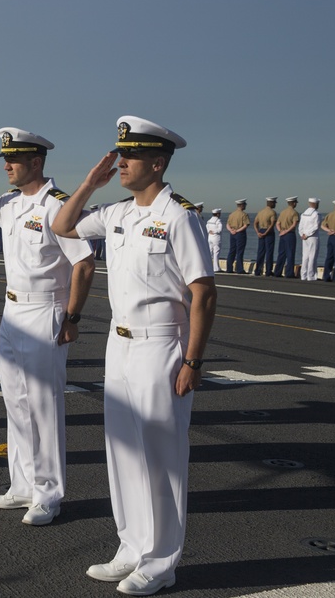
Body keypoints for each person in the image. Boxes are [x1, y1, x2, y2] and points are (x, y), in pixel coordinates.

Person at [52, 116, 216, 596]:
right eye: (120, 154)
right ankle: (131, 546)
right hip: (118, 346)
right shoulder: (118, 212)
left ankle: (161, 561)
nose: (121, 162)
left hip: (161, 345)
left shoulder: (180, 216)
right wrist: (88, 184)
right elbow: (62, 225)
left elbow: (203, 294)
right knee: (122, 450)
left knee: (161, 458)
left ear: (158, 163)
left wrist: (193, 361)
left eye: (131, 156)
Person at [0, 128, 93, 524]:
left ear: (36, 162)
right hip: (12, 312)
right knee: (15, 402)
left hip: (45, 313)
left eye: (14, 160)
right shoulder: (10, 204)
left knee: (43, 406)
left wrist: (72, 317)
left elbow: (83, 264)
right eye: (5, 159)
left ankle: (48, 495)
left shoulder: (57, 205)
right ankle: (21, 487)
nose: (7, 166)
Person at [273, 196, 299, 278]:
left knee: (281, 253)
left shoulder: (283, 212)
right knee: (290, 253)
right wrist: (286, 231)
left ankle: (277, 272)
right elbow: (294, 224)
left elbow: (277, 223)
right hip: (289, 234)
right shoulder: (294, 212)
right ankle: (289, 273)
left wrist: (280, 231)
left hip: (282, 235)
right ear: (294, 203)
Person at [253, 197, 278, 276]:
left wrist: (257, 232)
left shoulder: (260, 212)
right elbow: (272, 224)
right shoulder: (272, 212)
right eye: (274, 203)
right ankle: (268, 271)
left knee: (260, 252)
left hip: (261, 231)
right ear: (271, 203)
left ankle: (258, 270)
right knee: (269, 252)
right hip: (268, 233)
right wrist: (266, 232)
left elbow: (255, 223)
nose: (275, 204)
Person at [299, 198, 320, 281]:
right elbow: (316, 226)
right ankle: (310, 275)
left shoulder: (303, 214)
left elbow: (300, 226)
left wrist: (302, 234)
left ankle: (303, 275)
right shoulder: (316, 214)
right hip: (313, 237)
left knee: (305, 256)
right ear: (315, 204)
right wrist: (308, 234)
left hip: (304, 237)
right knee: (312, 256)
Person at [225, 200, 249, 274]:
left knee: (232, 250)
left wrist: (231, 231)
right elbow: (245, 225)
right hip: (240, 234)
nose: (245, 206)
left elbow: (227, 224)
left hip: (232, 233)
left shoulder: (232, 214)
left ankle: (229, 268)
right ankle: (239, 269)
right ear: (242, 205)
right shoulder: (244, 214)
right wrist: (238, 231)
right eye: (245, 204)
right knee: (240, 251)